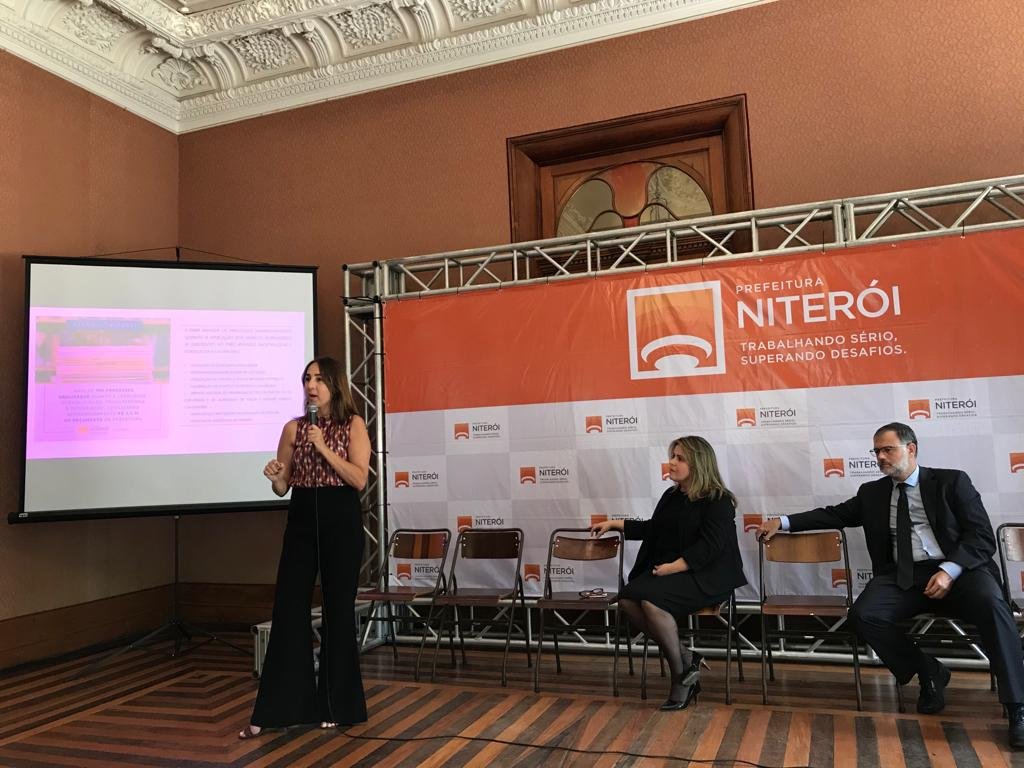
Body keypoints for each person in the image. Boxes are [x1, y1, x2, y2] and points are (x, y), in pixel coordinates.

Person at [757, 422, 1024, 748]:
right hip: (904, 577)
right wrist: (783, 522)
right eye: (876, 451)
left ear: (911, 449)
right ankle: (928, 671)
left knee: (993, 606)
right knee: (863, 615)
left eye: (888, 450)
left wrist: (949, 570)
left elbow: (981, 537)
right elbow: (833, 515)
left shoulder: (952, 482)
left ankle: (1018, 707)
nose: (880, 457)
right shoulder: (873, 493)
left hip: (961, 572)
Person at [239, 356, 371, 739]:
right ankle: (280, 709)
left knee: (337, 611)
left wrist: (324, 448)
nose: (311, 386)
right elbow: (283, 486)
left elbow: (359, 479)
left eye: (319, 379)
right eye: (307, 379)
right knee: (288, 608)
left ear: (335, 385)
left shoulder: (353, 424)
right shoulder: (292, 428)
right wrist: (276, 477)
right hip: (301, 519)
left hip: (340, 520)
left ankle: (337, 706)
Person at [592, 436, 747, 710]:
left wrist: (673, 567)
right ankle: (686, 657)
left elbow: (710, 547)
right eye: (672, 456)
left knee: (652, 602)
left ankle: (680, 679)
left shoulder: (718, 500)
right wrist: (616, 523)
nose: (672, 463)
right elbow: (654, 529)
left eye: (680, 458)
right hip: (675, 572)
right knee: (627, 598)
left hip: (707, 575)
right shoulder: (671, 496)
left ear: (698, 463)